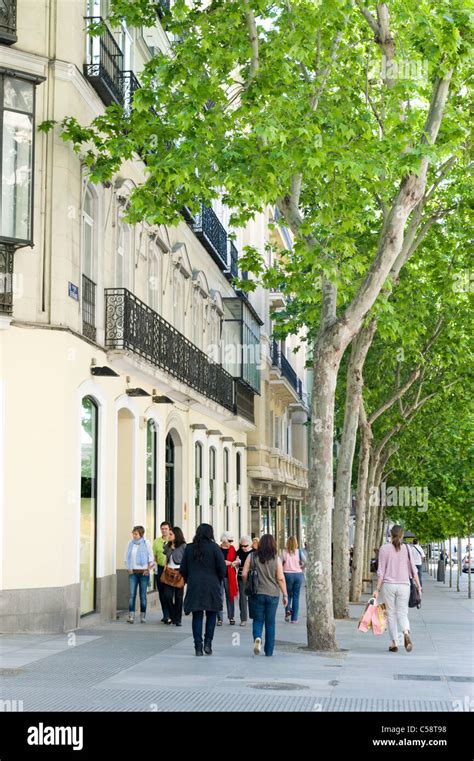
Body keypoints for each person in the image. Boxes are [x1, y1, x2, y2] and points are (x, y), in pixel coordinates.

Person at [374, 525, 422, 653]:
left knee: (391, 614)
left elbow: (381, 572)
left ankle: (394, 642)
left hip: (388, 585)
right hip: (404, 585)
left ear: (391, 534)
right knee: (402, 613)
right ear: (402, 535)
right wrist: (418, 585)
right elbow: (413, 569)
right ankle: (406, 632)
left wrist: (377, 589)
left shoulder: (384, 549)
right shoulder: (407, 548)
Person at [180, 524, 227, 656]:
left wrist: (190, 579)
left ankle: (198, 646)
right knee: (211, 615)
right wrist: (217, 579)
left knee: (197, 615)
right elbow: (222, 568)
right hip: (212, 585)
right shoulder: (214, 548)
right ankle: (208, 643)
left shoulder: (189, 548)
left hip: (195, 585)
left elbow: (183, 568)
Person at [242, 534, 288, 657]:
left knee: (257, 620)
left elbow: (244, 574)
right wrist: (285, 595)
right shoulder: (276, 559)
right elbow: (280, 578)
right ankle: (269, 651)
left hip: (257, 593)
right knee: (270, 622)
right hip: (272, 594)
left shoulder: (251, 556)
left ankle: (257, 638)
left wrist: (248, 584)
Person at [124, 526, 155, 624]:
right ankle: (131, 616)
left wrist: (148, 569)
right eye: (133, 533)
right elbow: (126, 557)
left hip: (143, 573)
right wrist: (128, 568)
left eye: (136, 534)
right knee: (132, 595)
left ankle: (143, 616)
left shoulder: (146, 543)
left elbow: (151, 558)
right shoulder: (130, 544)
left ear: (141, 534)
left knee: (143, 596)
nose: (134, 535)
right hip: (133, 573)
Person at [162, 527, 187, 626]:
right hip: (168, 572)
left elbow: (186, 560)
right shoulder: (167, 546)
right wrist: (165, 567)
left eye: (171, 534)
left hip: (179, 573)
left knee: (178, 597)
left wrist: (185, 573)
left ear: (177, 535)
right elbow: (167, 558)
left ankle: (178, 619)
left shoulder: (183, 546)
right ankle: (173, 615)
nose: (169, 536)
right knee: (167, 596)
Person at [281, 536, 305, 623]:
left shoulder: (284, 552)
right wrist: (301, 567)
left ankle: (287, 610)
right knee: (296, 596)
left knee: (287, 594)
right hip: (298, 574)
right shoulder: (299, 552)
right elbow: (305, 561)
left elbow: (280, 563)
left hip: (287, 574)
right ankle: (294, 619)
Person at [217, 532, 238, 625]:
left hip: (229, 576)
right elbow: (219, 561)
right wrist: (230, 563)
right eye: (229, 541)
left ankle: (231, 617)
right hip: (219, 576)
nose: (231, 542)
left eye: (232, 541)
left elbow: (237, 559)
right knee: (219, 597)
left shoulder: (233, 549)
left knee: (230, 597)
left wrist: (236, 562)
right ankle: (219, 618)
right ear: (224, 540)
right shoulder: (217, 549)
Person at [152, 521, 171, 623]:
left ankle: (170, 613)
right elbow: (154, 557)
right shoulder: (156, 542)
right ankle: (165, 614)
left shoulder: (172, 541)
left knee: (168, 593)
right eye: (162, 529)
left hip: (170, 569)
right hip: (159, 568)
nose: (164, 531)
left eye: (166, 529)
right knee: (162, 592)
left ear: (169, 529)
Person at [235, 535, 254, 626]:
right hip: (241, 577)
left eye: (245, 546)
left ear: (250, 544)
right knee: (242, 598)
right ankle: (243, 619)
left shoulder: (254, 553)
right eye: (241, 545)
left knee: (252, 597)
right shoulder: (239, 552)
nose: (243, 548)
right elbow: (237, 564)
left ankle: (254, 616)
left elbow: (254, 565)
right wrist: (236, 563)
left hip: (252, 578)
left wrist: (241, 562)